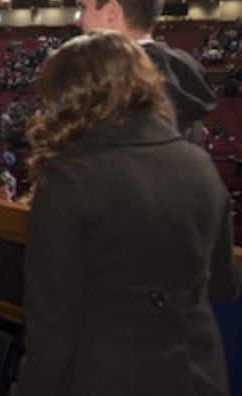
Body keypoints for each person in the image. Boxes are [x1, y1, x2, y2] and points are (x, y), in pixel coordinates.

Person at [15, 31, 241, 396]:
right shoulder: (199, 163)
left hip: (107, 375)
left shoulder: (69, 177)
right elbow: (225, 285)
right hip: (200, 374)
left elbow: (52, 335)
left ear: (70, 93)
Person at [75, 0, 215, 144]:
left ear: (111, 11)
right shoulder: (181, 73)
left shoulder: (120, 85)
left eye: (83, 7)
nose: (78, 21)